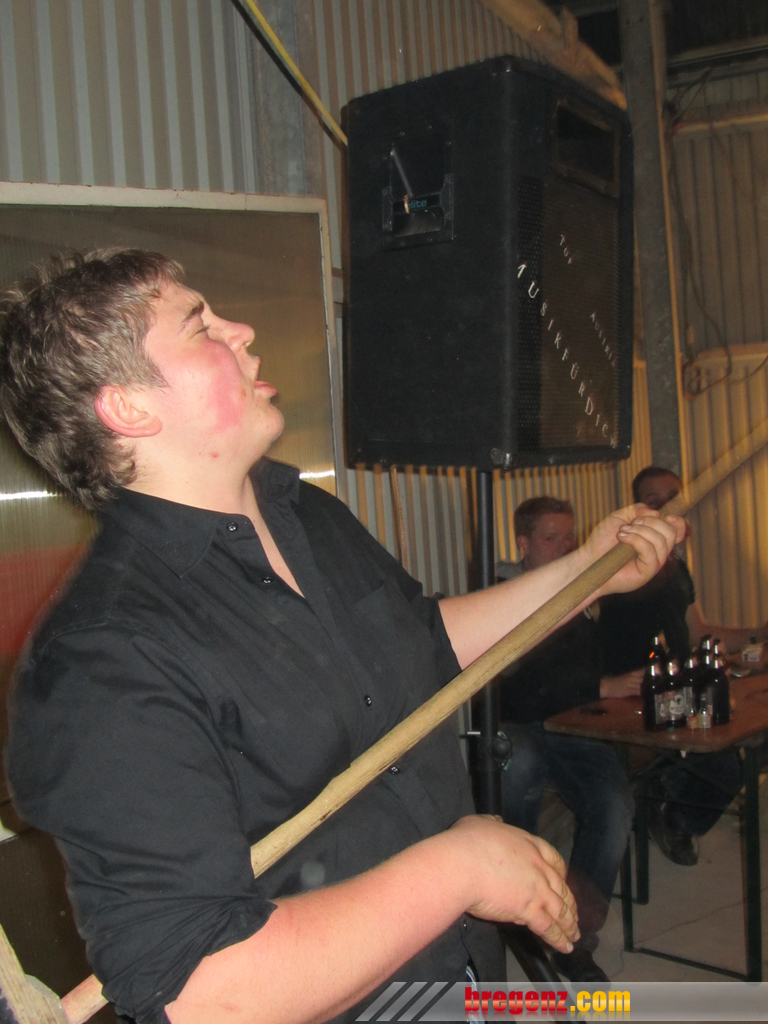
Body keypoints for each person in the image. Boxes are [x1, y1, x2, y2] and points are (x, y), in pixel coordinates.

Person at [0, 250, 683, 1024]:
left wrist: (588, 571)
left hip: (458, 974)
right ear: (128, 408)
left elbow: (424, 646)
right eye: (200, 326)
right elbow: (207, 995)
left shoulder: (307, 515)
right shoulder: (102, 659)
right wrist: (459, 870)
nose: (241, 330)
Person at [496, 497, 643, 984]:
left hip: (573, 727)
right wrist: (598, 686)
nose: (564, 546)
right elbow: (517, 685)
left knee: (615, 803)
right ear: (523, 544)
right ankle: (516, 907)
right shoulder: (503, 594)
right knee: (518, 764)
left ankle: (573, 936)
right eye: (551, 537)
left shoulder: (583, 594)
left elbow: (587, 667)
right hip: (519, 724)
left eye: (569, 537)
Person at [599, 466, 767, 867]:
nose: (667, 507)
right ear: (639, 510)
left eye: (673, 497)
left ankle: (673, 787)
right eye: (654, 501)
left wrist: (758, 634)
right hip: (641, 698)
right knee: (724, 759)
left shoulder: (676, 566)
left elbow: (699, 632)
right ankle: (676, 815)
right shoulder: (622, 566)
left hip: (684, 687)